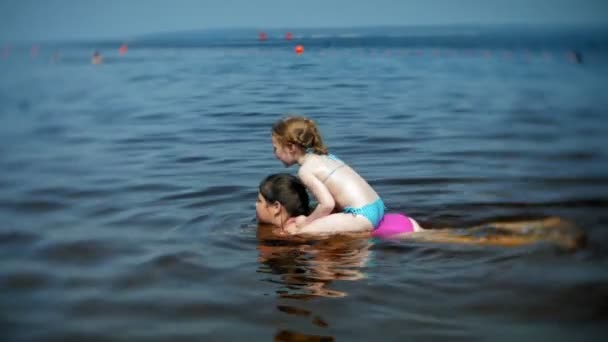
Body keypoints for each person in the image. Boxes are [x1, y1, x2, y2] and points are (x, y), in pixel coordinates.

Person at [256, 173, 586, 250]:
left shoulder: (297, 231)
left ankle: (542, 237)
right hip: (394, 220)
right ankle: (543, 225)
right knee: (469, 233)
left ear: (276, 207)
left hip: (393, 232)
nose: (255, 206)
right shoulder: (312, 215)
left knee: (476, 241)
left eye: (259, 200)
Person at [271, 116, 384, 235]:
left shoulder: (305, 170)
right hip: (377, 205)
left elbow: (327, 204)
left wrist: (306, 222)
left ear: (290, 147)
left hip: (362, 215)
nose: (275, 154)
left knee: (300, 232)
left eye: (275, 148)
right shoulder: (326, 156)